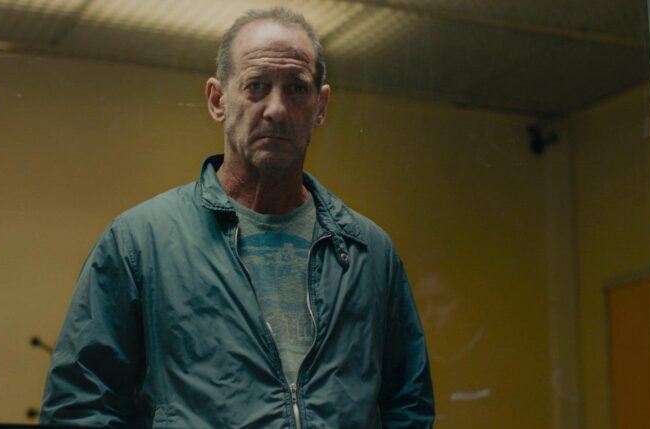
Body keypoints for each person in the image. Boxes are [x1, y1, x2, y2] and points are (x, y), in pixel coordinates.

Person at [40, 6, 434, 428]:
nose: (276, 109)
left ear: (320, 106)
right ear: (218, 100)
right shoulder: (140, 243)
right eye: (256, 86)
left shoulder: (367, 251)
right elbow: (79, 407)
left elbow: (407, 405)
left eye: (296, 89)